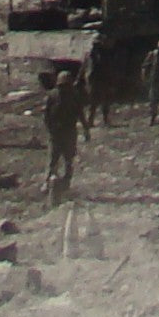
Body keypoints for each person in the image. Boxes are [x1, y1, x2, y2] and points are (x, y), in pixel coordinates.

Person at [44, 70, 90, 200]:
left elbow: (81, 114)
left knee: (68, 160)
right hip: (57, 132)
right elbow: (46, 116)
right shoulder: (52, 96)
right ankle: (49, 183)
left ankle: (66, 184)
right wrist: (50, 129)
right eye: (63, 86)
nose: (65, 89)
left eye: (67, 86)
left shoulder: (74, 96)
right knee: (53, 159)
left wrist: (86, 129)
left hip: (69, 132)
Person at [79, 33, 115, 127]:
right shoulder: (89, 55)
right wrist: (79, 79)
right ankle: (90, 121)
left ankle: (105, 120)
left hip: (102, 79)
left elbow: (108, 67)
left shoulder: (104, 54)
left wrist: (110, 80)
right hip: (92, 80)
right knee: (93, 102)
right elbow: (83, 67)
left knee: (105, 101)